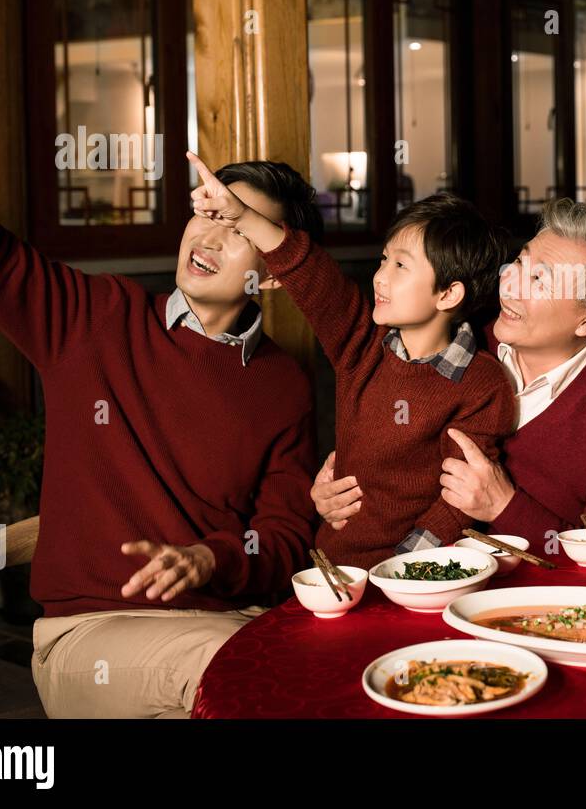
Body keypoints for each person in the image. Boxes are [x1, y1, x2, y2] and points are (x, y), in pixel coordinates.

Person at [0, 4, 320, 718]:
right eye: (207, 210)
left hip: (227, 621)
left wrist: (212, 559)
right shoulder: (97, 318)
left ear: (274, 272)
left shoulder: (283, 382)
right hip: (90, 635)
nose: (208, 233)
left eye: (237, 227)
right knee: (259, 674)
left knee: (322, 665)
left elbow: (286, 535)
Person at [191, 169, 515, 568]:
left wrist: (404, 568)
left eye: (401, 266)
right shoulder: (363, 345)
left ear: (448, 293)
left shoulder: (481, 383)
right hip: (335, 566)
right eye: (384, 259)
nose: (379, 276)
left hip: (418, 571)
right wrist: (241, 217)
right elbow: (311, 273)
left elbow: (460, 498)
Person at [429, 198, 586, 549]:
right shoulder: (456, 342)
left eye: (540, 279)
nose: (510, 282)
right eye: (520, 262)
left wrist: (505, 507)